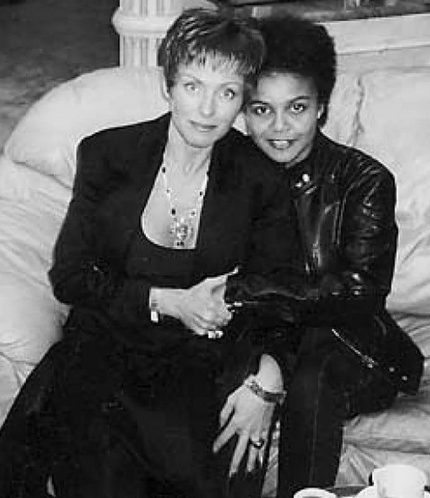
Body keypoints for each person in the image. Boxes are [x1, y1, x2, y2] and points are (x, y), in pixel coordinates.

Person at [0, 8, 294, 498]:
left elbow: (280, 290)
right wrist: (166, 300)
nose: (207, 109)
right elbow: (70, 275)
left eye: (227, 92)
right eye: (193, 86)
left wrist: (270, 373)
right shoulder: (108, 155)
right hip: (108, 349)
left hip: (198, 362)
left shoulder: (260, 178)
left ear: (242, 100)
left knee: (202, 477)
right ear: (168, 85)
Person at [214, 14, 424, 498]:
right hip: (269, 338)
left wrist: (246, 292)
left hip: (351, 345)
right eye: (261, 109)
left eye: (297, 108)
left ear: (321, 108)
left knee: (314, 375)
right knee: (234, 379)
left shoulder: (363, 180)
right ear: (243, 111)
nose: (279, 127)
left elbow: (358, 294)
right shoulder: (232, 175)